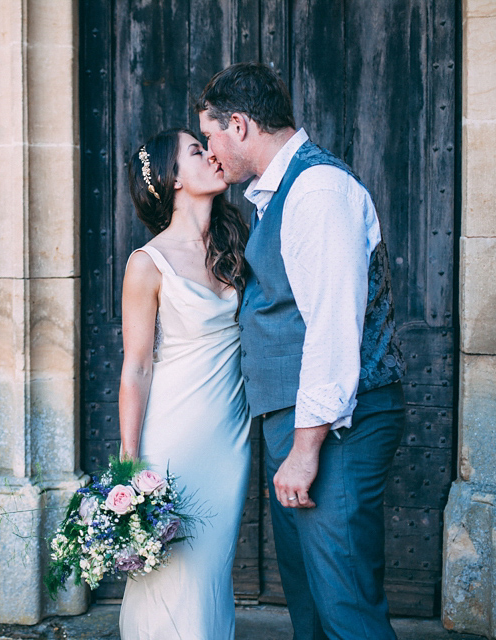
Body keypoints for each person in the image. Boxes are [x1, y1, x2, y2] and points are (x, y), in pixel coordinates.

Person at [196, 62, 406, 640]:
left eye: (211, 137)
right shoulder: (277, 194)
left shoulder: (316, 189)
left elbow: (334, 326)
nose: (210, 153)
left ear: (238, 125)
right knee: (313, 607)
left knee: (345, 606)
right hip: (304, 422)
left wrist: (305, 447)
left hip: (338, 426)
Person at [118, 127, 251, 640]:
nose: (212, 154)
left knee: (211, 572)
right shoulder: (146, 264)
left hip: (229, 440)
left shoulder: (235, 244)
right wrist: (129, 461)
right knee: (171, 573)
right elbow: (137, 365)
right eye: (197, 151)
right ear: (174, 180)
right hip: (175, 436)